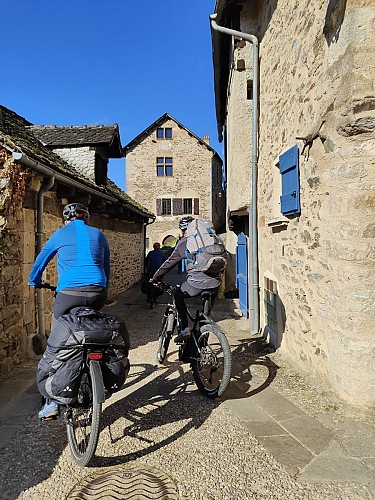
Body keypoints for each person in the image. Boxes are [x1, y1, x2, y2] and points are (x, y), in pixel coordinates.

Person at [28, 202, 110, 419]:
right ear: (87, 218)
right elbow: (106, 266)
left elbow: (40, 261)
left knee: (56, 343)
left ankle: (51, 402)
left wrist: (33, 280)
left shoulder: (60, 234)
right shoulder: (99, 235)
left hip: (69, 295)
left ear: (66, 219)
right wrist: (103, 289)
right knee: (94, 330)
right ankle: (98, 372)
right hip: (97, 291)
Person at [150, 216, 222, 343]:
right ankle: (202, 343)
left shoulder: (184, 242)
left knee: (178, 296)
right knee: (204, 319)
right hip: (215, 283)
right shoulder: (211, 240)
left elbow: (169, 263)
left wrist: (156, 277)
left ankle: (184, 327)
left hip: (196, 283)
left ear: (183, 231)